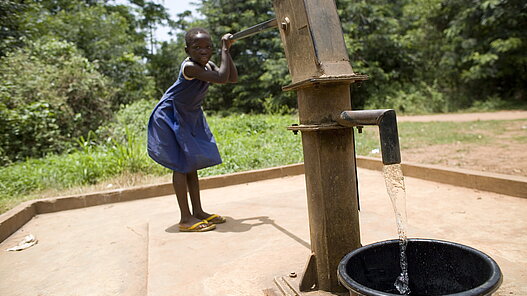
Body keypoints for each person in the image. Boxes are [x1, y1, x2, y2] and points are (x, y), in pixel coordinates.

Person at [147, 28, 238, 232]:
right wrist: (224, 49)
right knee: (180, 165)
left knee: (191, 164)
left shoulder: (208, 65)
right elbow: (222, 78)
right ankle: (185, 219)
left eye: (208, 47)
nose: (203, 51)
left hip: (189, 115)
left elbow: (231, 78)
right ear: (187, 50)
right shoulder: (190, 67)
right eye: (197, 47)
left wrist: (227, 52)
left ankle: (197, 211)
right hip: (170, 115)